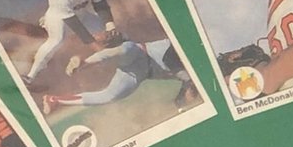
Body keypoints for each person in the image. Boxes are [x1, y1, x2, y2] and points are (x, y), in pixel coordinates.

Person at [24, 0, 115, 86]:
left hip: (80, 14)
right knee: (57, 40)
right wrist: (97, 48)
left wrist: (110, 25)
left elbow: (100, 3)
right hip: (58, 19)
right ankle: (30, 76)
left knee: (107, 33)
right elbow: (78, 28)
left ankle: (82, 59)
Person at [42, 39, 201, 113]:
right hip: (142, 53)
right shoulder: (193, 47)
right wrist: (189, 81)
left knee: (110, 96)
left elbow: (183, 98)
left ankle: (55, 100)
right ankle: (84, 62)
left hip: (139, 74)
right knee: (122, 50)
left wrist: (185, 99)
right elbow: (170, 58)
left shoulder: (197, 74)